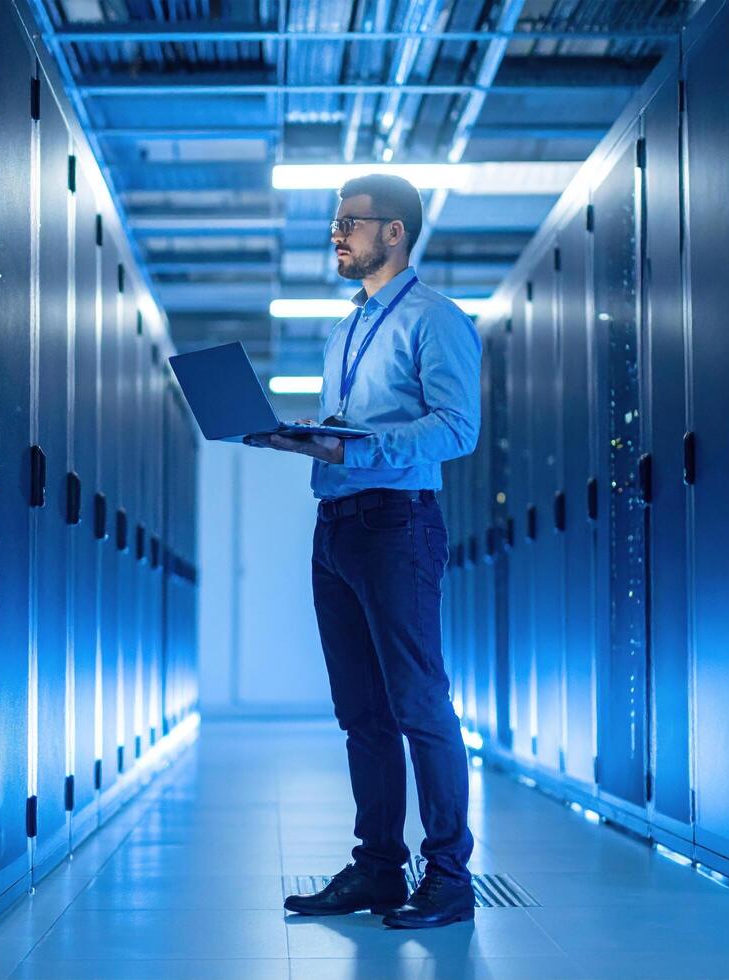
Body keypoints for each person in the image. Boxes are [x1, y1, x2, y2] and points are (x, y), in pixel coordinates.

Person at [247, 174, 482, 928]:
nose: (337, 233)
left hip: (397, 524)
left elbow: (456, 429)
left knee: (419, 703)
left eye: (351, 221)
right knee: (362, 714)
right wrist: (310, 439)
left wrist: (359, 444)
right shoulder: (344, 329)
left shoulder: (435, 319)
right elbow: (357, 436)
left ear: (396, 232)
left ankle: (448, 878)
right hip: (338, 525)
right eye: (336, 222)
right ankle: (380, 868)